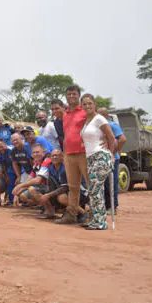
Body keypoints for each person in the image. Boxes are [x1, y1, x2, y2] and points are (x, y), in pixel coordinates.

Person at [79, 94, 115, 230]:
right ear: (81, 106)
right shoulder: (87, 121)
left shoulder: (99, 118)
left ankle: (100, 222)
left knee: (95, 189)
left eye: (90, 103)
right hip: (91, 157)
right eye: (84, 104)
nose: (87, 106)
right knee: (94, 189)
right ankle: (96, 219)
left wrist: (111, 154)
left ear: (94, 104)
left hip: (101, 156)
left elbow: (112, 137)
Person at [56, 85, 89, 225]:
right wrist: (64, 153)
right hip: (69, 155)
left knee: (91, 185)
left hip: (84, 153)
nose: (71, 96)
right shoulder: (66, 115)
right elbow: (66, 136)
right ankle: (71, 214)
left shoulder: (86, 112)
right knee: (73, 186)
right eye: (68, 94)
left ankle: (93, 215)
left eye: (74, 94)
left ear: (79, 95)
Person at [98, 107, 127, 212]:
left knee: (111, 183)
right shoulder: (100, 127)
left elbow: (123, 139)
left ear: (104, 115)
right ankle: (106, 205)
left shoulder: (111, 125)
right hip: (102, 158)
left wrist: (116, 151)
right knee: (104, 183)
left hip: (112, 159)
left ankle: (113, 206)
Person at [0, 140, 16, 205]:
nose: (0, 149)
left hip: (20, 167)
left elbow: (16, 162)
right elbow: (3, 165)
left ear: (5, 145)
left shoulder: (12, 149)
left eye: (2, 146)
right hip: (9, 169)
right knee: (10, 182)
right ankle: (11, 201)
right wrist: (6, 176)